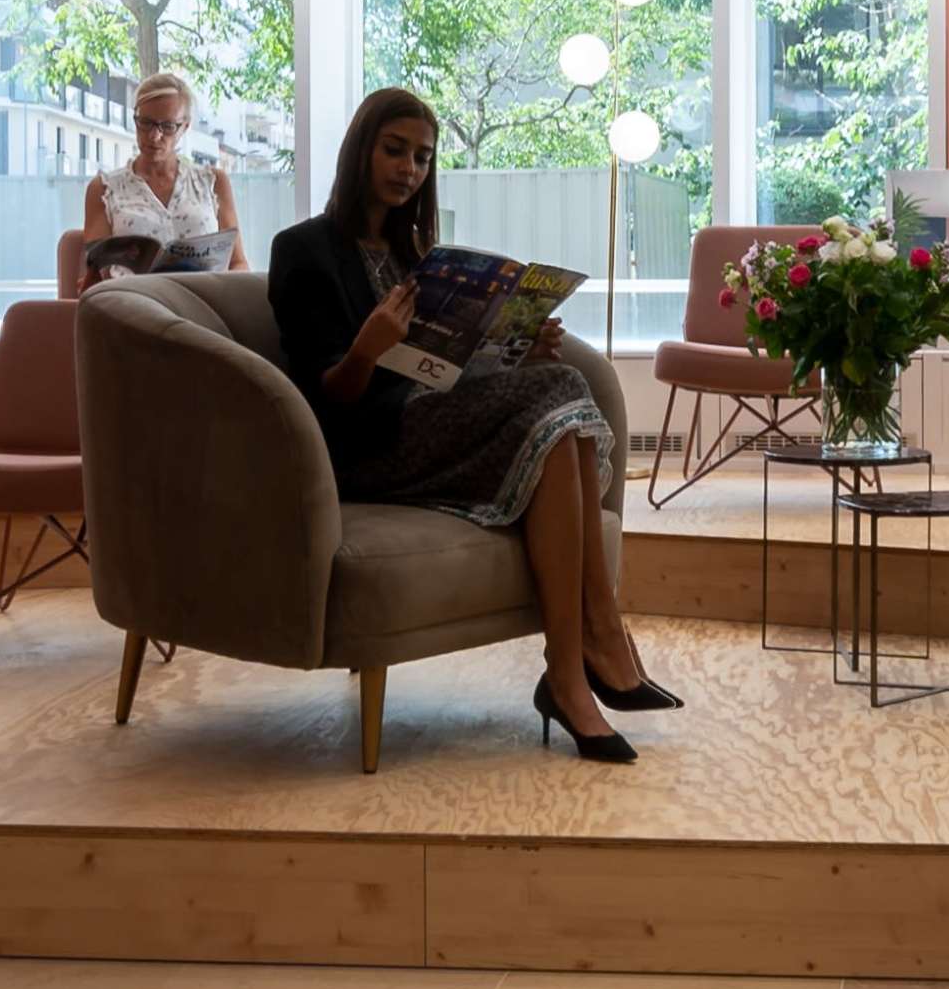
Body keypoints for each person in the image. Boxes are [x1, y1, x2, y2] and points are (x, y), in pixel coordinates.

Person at [266, 85, 671, 763]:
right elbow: (320, 399)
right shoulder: (303, 249)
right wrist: (366, 347)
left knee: (558, 399)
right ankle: (594, 645)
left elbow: (438, 368)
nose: (408, 169)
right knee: (563, 393)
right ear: (362, 148)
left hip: (428, 421)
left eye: (422, 158)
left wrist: (513, 347)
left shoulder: (415, 249)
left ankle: (572, 671)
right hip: (364, 448)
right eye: (395, 151)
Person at [83, 70, 248, 271]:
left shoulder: (212, 182)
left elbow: (238, 263)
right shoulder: (104, 189)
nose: (154, 136)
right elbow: (94, 271)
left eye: (168, 126)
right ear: (135, 118)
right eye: (145, 123)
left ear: (185, 127)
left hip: (201, 297)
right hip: (133, 299)